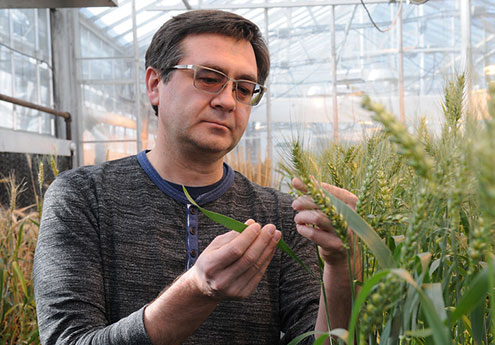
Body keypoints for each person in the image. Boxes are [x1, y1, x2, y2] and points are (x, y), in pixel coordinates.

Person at [33, 9, 359, 345]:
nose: (227, 101)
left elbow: (317, 340)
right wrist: (196, 290)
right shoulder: (83, 197)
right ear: (155, 84)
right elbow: (66, 339)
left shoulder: (281, 218)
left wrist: (341, 266)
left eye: (244, 89)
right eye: (208, 78)